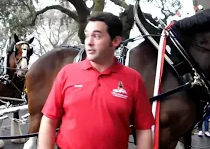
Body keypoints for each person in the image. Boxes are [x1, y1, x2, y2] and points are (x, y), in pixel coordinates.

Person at [37, 12, 155, 149]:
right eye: (87, 35)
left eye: (97, 36)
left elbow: (144, 128)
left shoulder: (133, 79)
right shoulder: (67, 73)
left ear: (115, 41)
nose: (89, 42)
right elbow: (49, 121)